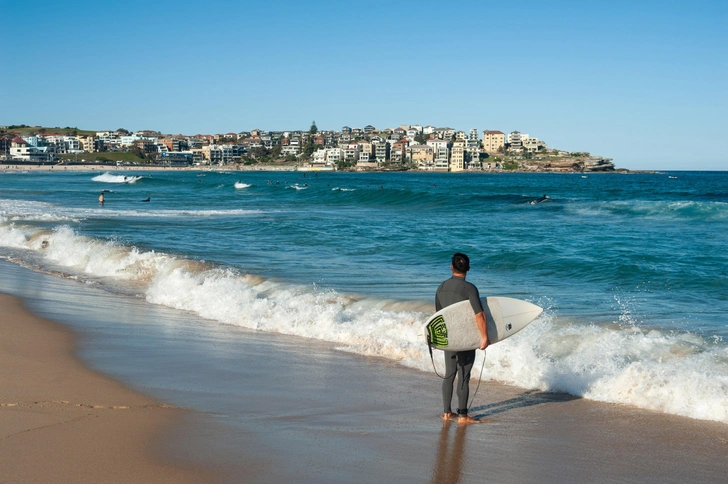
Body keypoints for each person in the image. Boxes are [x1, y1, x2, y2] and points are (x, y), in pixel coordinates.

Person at [435, 252, 489, 424]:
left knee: (449, 374)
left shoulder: (441, 287)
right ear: (468, 269)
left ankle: (446, 413)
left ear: (451, 267)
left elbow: (438, 315)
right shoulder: (470, 288)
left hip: (449, 338)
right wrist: (484, 337)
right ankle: (463, 416)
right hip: (465, 338)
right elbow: (479, 315)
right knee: (464, 375)